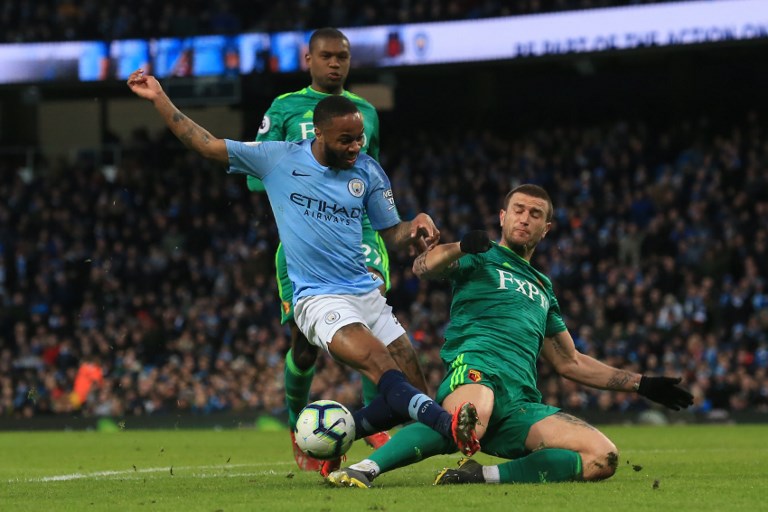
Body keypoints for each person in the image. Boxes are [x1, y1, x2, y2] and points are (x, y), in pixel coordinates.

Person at [125, 72, 481, 472]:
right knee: (382, 366)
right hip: (317, 297)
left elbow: (393, 234)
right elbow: (206, 144)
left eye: (360, 138)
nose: (356, 146)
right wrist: (159, 98)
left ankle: (334, 437)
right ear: (321, 135)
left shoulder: (367, 171)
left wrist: (414, 225)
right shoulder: (278, 157)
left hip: (365, 294)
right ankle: (449, 427)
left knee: (411, 393)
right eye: (346, 140)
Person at [326, 184, 693, 489]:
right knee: (474, 414)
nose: (525, 218)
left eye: (536, 214)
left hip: (521, 401)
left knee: (602, 457)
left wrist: (642, 384)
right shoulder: (481, 257)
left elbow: (570, 362)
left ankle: (480, 476)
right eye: (518, 209)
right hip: (476, 371)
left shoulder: (543, 288)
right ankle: (365, 469)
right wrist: (460, 247)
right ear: (503, 217)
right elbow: (423, 266)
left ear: (546, 228)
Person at [246, 27, 401, 471]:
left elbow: (369, 174)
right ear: (309, 59)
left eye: (343, 57)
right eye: (327, 56)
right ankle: (298, 426)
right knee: (303, 345)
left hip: (361, 236)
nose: (336, 64)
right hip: (302, 241)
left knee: (372, 330)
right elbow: (256, 177)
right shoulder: (283, 108)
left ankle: (374, 424)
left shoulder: (366, 112)